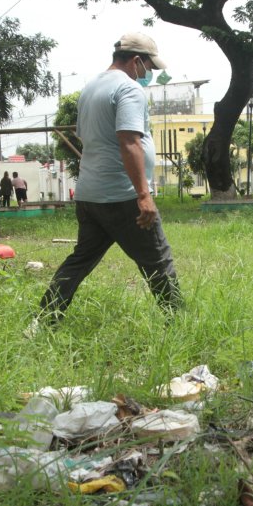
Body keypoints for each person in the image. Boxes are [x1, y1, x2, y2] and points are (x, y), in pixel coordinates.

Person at [35, 32, 182, 326]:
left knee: (79, 261)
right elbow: (129, 141)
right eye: (148, 69)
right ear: (136, 61)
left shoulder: (90, 88)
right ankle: (180, 323)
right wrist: (143, 194)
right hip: (122, 196)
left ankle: (43, 320)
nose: (149, 75)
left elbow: (86, 136)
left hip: (90, 195)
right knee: (158, 262)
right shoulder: (129, 90)